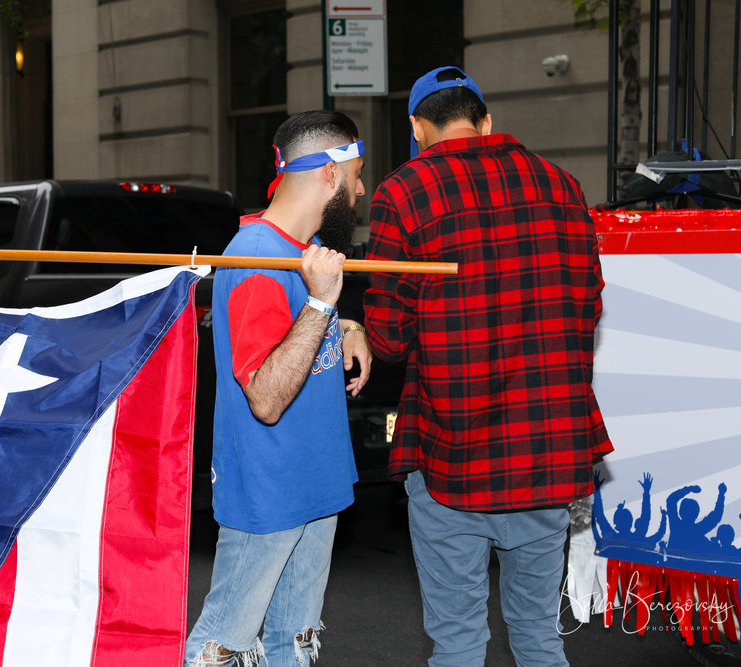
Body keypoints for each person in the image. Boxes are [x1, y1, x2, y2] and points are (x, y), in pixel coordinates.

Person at [363, 66, 613, 666]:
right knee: (538, 637)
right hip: (546, 449)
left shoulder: (402, 192)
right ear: (486, 121)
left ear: (418, 127)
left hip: (452, 452)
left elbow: (390, 339)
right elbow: (590, 302)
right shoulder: (562, 185)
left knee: (457, 642)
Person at [184, 109, 372, 667]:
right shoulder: (256, 258)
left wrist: (346, 323)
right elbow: (265, 397)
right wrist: (321, 305)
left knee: (293, 644)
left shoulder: (300, 251)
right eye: (357, 175)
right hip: (270, 495)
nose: (361, 190)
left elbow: (284, 331)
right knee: (219, 647)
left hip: (316, 483)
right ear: (329, 176)